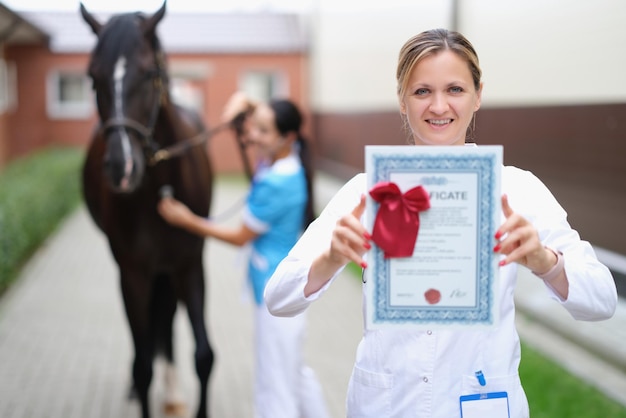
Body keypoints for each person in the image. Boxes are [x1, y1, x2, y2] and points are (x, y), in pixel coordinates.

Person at [264, 28, 618, 418]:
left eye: (454, 89)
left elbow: (601, 300)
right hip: (387, 404)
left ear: (478, 95)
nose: (438, 106)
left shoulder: (516, 189)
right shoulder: (366, 192)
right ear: (402, 99)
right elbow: (278, 299)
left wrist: (544, 260)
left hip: (481, 400)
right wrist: (330, 259)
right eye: (421, 91)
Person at [157, 93, 329, 418]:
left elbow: (239, 237)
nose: (252, 136)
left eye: (262, 131)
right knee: (294, 373)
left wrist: (187, 220)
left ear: (286, 138)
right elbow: (259, 129)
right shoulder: (284, 161)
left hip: (276, 295)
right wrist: (249, 106)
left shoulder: (278, 182)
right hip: (288, 289)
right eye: (254, 128)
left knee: (274, 388)